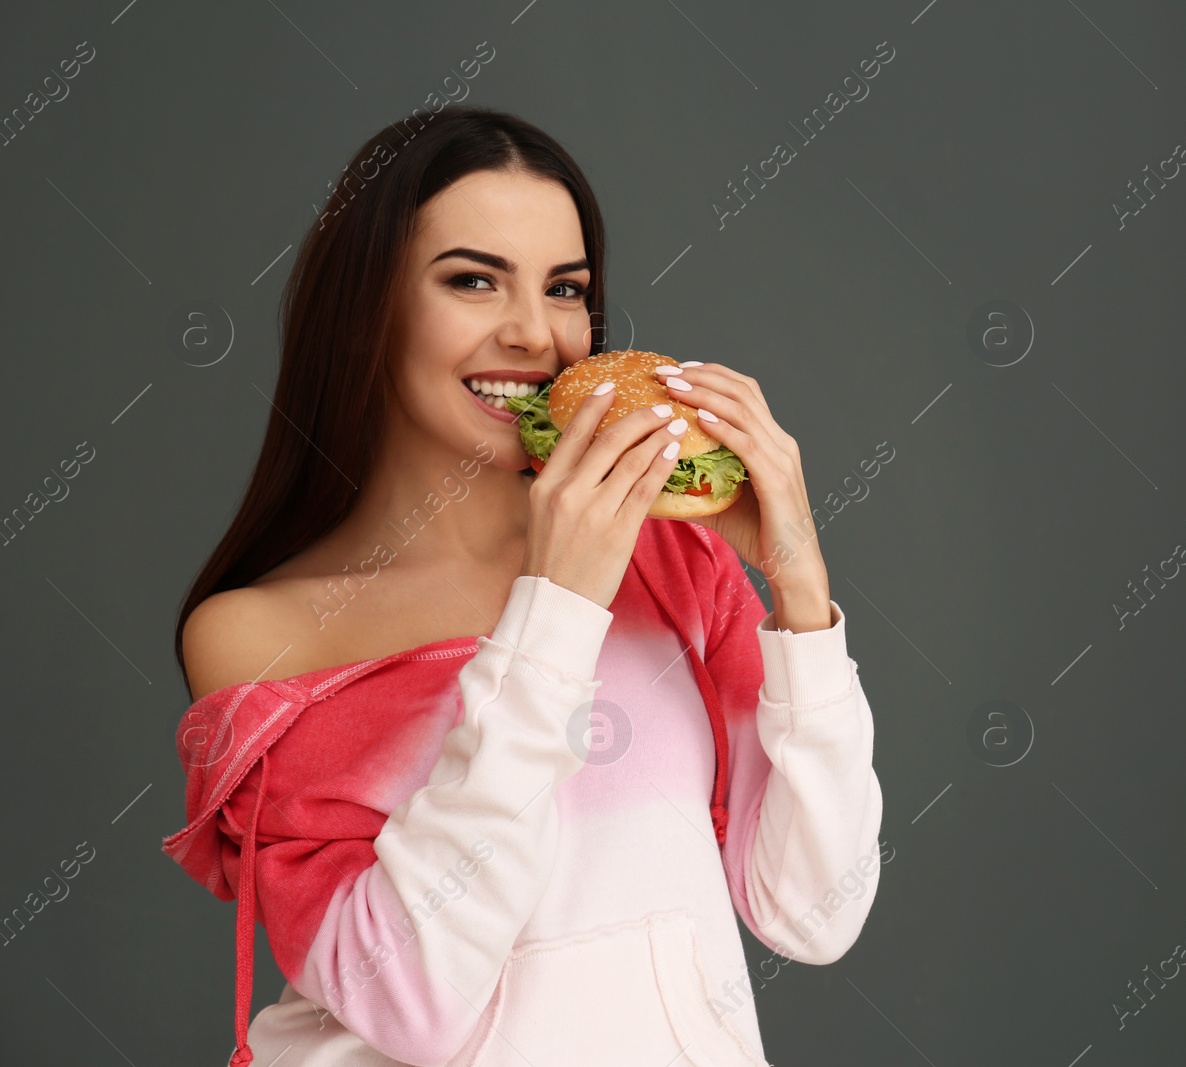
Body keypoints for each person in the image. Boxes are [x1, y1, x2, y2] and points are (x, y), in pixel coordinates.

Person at [162, 105, 884, 1066]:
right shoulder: (259, 634)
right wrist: (556, 615)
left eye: (565, 289)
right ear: (367, 307)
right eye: (472, 280)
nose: (533, 333)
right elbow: (411, 1003)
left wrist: (799, 590)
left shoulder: (670, 557)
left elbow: (812, 910)